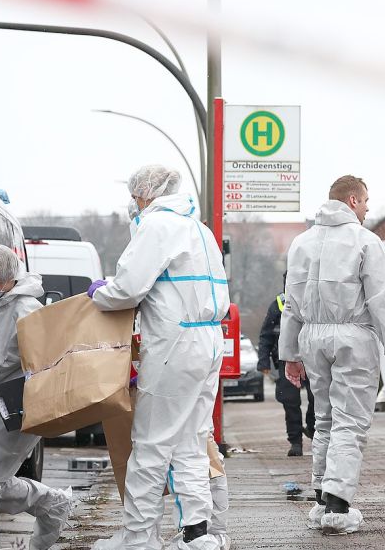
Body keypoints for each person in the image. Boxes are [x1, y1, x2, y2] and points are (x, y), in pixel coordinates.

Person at [89, 165, 229, 550]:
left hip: (175, 345)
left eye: (134, 197)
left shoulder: (157, 227)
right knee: (190, 441)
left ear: (143, 195)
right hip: (208, 341)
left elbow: (129, 289)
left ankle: (138, 538)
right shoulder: (200, 230)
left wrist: (100, 292)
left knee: (150, 445)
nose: (133, 205)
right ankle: (196, 535)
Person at [279, 175, 385, 535]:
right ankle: (338, 502)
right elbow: (383, 298)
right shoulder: (365, 241)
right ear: (352, 200)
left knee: (325, 418)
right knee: (350, 421)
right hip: (352, 335)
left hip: (311, 336)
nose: (368, 208)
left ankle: (321, 495)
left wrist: (290, 353)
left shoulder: (301, 243)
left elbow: (291, 303)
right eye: (366, 201)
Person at [0, 245, 73, 550]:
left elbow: (48, 365)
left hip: (11, 409)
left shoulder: (26, 311)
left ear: (9, 278)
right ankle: (53, 504)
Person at [258, 274, 315, 457]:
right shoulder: (278, 304)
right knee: (290, 401)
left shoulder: (315, 300)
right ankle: (295, 441)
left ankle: (313, 427)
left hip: (313, 358)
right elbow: (266, 335)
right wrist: (264, 361)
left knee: (318, 398)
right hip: (286, 358)